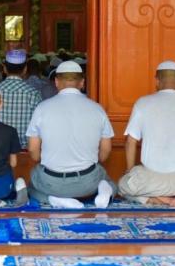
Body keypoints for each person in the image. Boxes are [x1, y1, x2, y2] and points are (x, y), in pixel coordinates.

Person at [118, 61, 175, 207]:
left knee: (123, 186)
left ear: (157, 80)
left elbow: (130, 142)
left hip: (151, 180)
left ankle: (156, 199)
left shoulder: (142, 104)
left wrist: (129, 171)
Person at [26, 61, 115, 208]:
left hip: (52, 182)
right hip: (87, 182)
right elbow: (105, 151)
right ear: (82, 83)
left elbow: (33, 151)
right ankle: (105, 192)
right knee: (109, 181)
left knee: (32, 186)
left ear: (56, 82)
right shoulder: (97, 109)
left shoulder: (42, 108)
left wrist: (49, 162)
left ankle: (52, 199)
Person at [0, 50, 42, 148]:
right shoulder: (33, 94)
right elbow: (39, 126)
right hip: (25, 151)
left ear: (4, 69)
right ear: (25, 69)